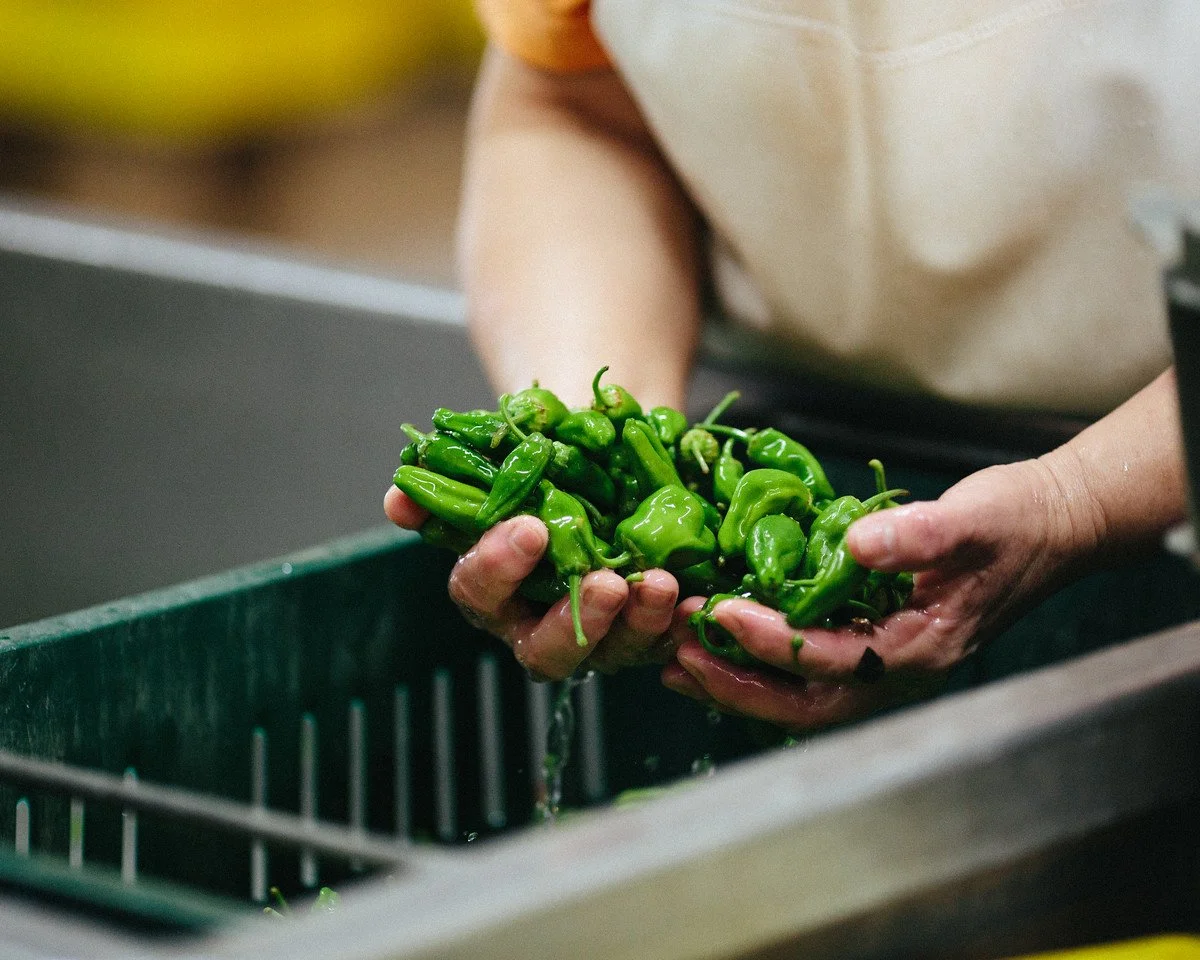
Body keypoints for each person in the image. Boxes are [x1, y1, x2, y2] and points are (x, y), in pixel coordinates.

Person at [385, 0, 1197, 732]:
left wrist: (1082, 498)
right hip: (784, 426)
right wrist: (604, 447)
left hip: (1170, 484)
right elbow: (576, 103)